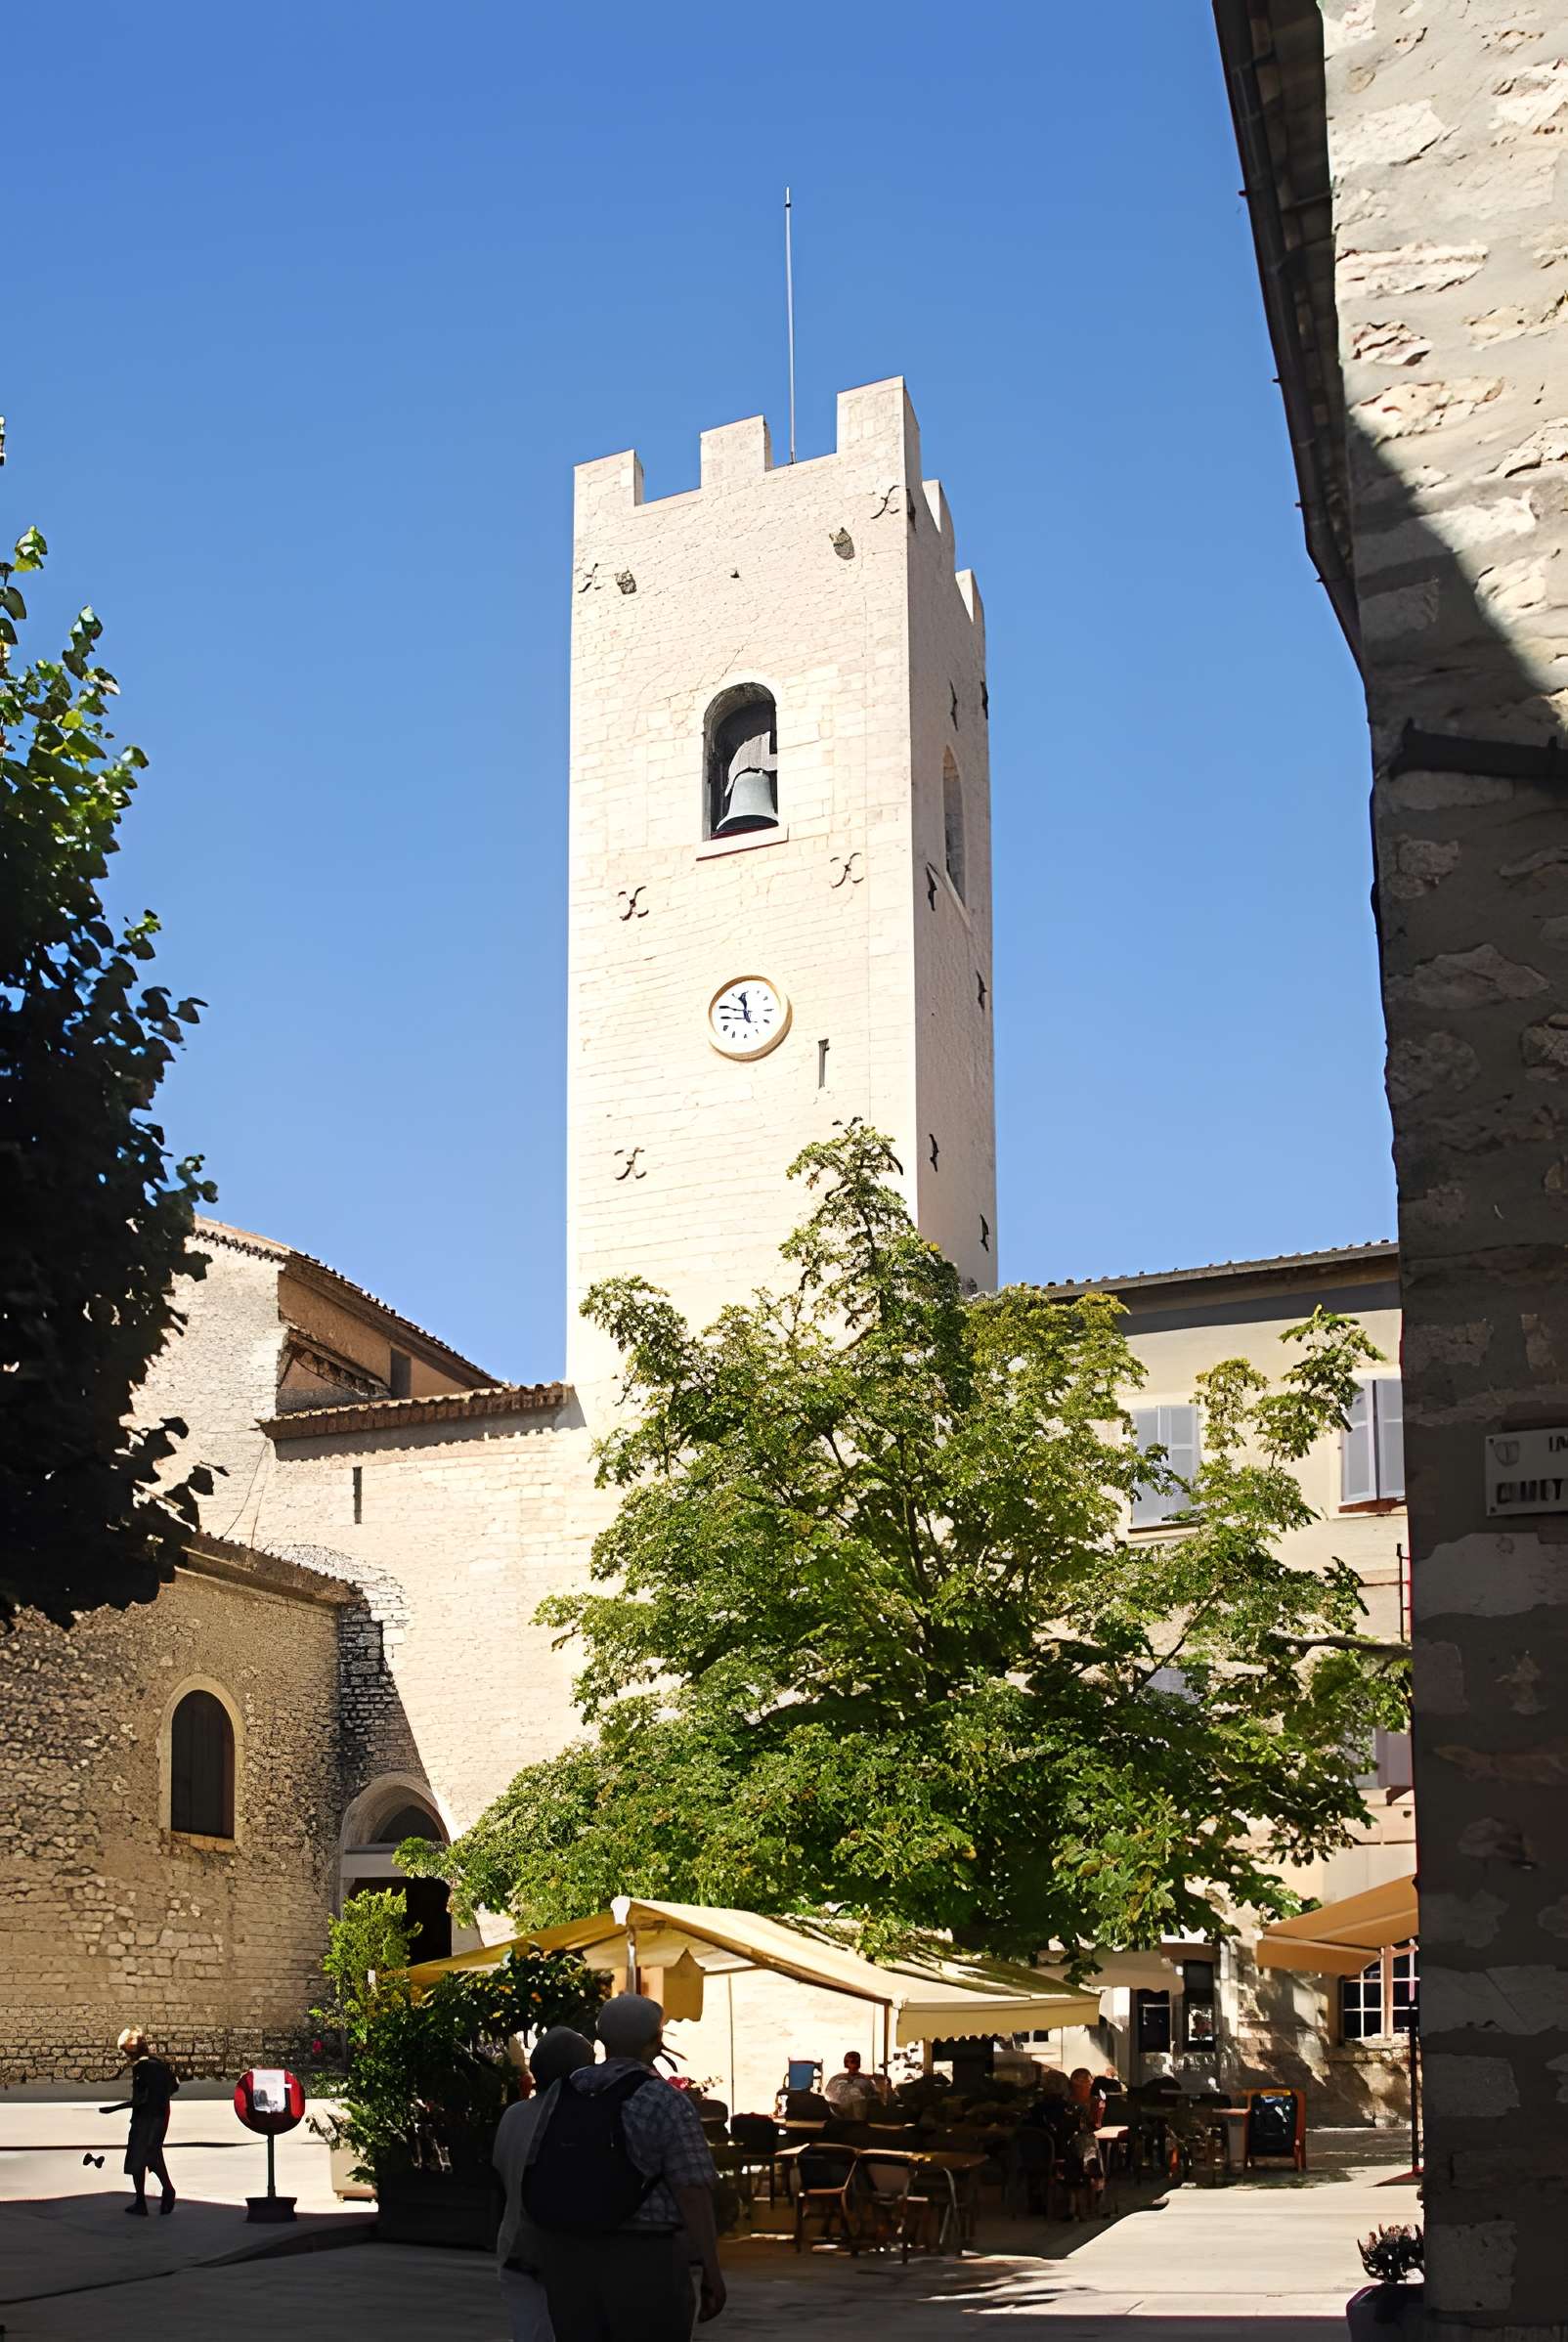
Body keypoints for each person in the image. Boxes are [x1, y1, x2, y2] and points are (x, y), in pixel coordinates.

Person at [527, 1992, 725, 2338]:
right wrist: (711, 2267)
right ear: (656, 2042)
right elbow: (692, 2189)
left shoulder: (564, 2091)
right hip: (644, 2258)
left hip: (569, 2254)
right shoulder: (665, 2100)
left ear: (601, 2040)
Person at [493, 2027, 596, 2342]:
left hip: (514, 2244)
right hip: (559, 2248)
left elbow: (500, 2177)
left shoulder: (514, 2115)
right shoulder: (579, 2119)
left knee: (530, 2331)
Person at [99, 2026, 179, 2215]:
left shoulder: (140, 2068)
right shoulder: (159, 2064)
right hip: (161, 2114)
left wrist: (114, 2108)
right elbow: (174, 2086)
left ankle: (142, 2201)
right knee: (153, 2155)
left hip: (145, 2118)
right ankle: (166, 2190)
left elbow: (139, 2100)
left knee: (138, 2158)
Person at [823, 2050, 875, 2120]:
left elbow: (872, 2096)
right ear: (846, 2063)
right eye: (852, 2062)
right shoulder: (837, 2079)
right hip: (839, 2114)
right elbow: (829, 2095)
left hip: (859, 2115)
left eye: (856, 2061)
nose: (854, 2065)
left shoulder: (865, 2080)